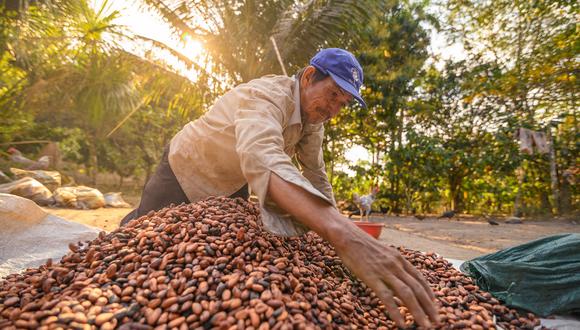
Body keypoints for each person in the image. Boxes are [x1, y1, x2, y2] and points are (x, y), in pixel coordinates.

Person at [122, 48, 440, 328]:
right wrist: (343, 234)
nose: (334, 110)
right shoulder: (267, 95)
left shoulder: (313, 121)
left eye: (342, 104)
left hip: (231, 182)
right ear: (310, 76)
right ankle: (127, 231)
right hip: (187, 168)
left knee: (215, 252)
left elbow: (316, 174)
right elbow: (263, 157)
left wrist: (340, 229)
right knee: (140, 241)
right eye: (332, 95)